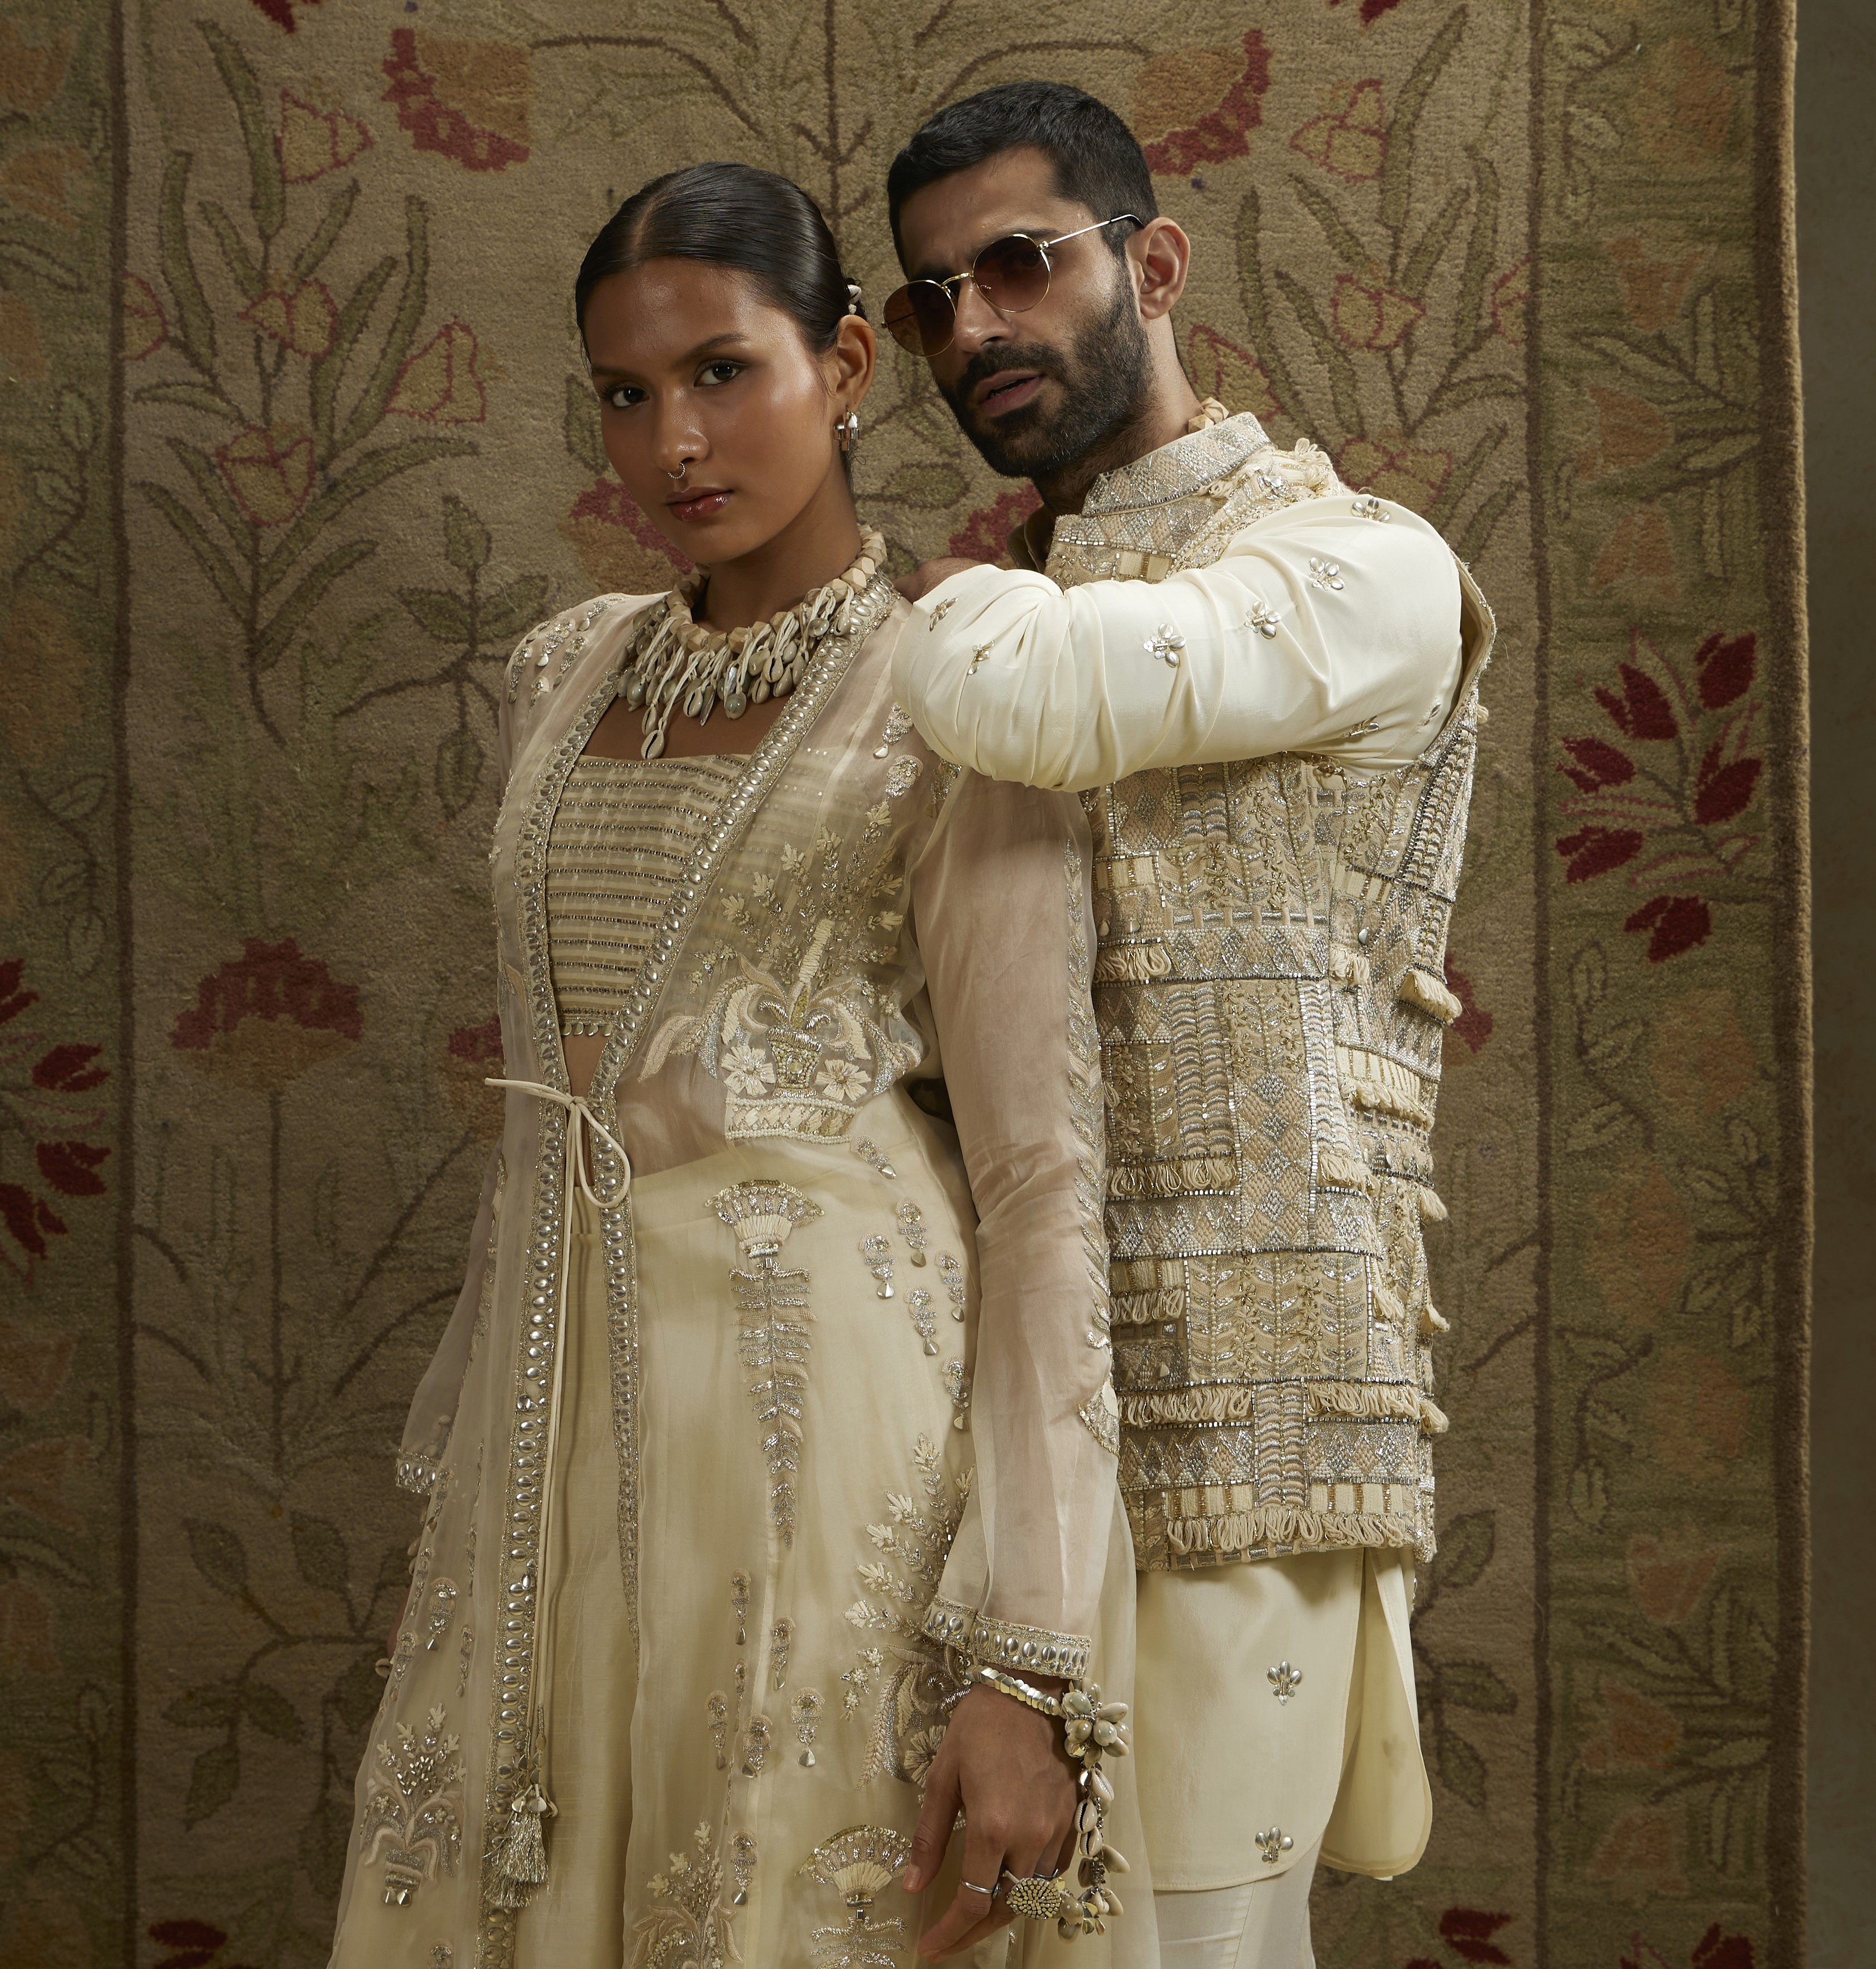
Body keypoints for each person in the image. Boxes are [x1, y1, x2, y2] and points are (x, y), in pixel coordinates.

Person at [327, 160, 1157, 1969]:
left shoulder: (953, 689)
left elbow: (1036, 1183)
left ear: (847, 361)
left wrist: (1027, 1645)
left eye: (723, 372)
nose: (672, 443)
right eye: (626, 395)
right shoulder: (562, 671)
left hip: (819, 1456)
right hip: (550, 1454)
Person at [883, 83, 1497, 1968]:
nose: (976, 322)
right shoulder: (1017, 609)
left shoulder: (1359, 571)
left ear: (1150, 265)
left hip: (1249, 1408)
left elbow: (1046, 695)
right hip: (966, 1415)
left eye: (1020, 261)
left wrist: (858, 610)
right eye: (929, 299)